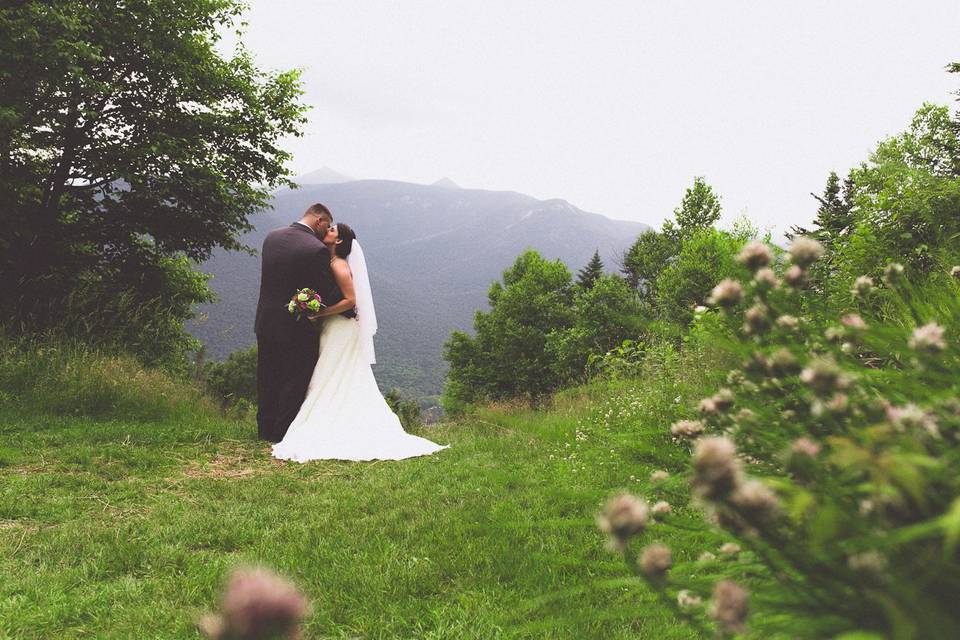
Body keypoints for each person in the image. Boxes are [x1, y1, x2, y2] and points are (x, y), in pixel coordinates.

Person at [272, 223, 448, 462]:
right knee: (333, 372)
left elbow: (350, 300)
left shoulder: (340, 265)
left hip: (342, 328)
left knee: (333, 372)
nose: (328, 230)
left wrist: (320, 312)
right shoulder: (331, 262)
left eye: (332, 229)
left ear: (339, 241)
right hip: (335, 326)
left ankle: (334, 424)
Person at [254, 203, 354, 443]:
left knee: (267, 375)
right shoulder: (315, 249)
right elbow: (327, 292)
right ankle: (282, 432)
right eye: (327, 226)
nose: (327, 230)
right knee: (294, 378)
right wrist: (349, 311)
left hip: (265, 320)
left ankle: (264, 430)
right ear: (319, 221)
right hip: (294, 326)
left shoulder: (271, 237)